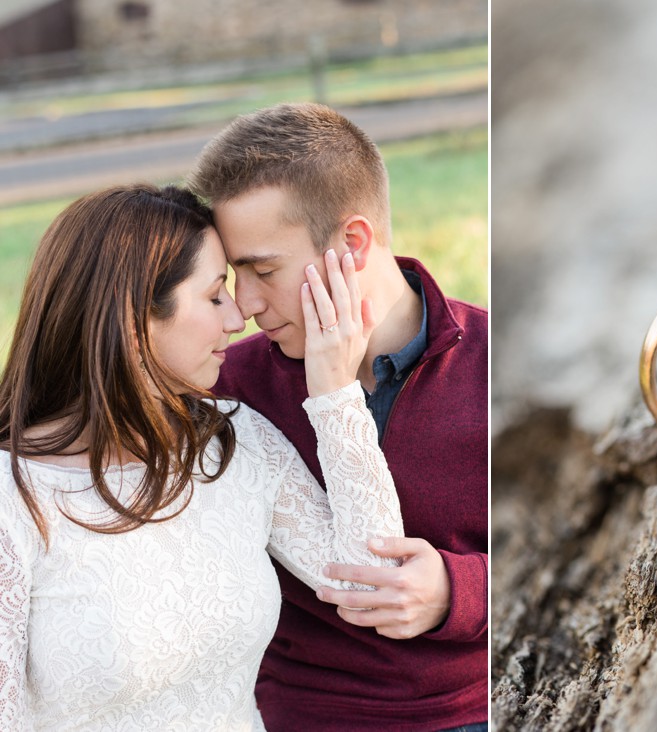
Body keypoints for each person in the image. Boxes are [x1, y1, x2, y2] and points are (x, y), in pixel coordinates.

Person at [0, 184, 405, 730]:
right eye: (215, 295)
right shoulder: (13, 498)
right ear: (135, 320)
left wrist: (335, 395)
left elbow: (372, 579)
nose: (238, 318)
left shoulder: (235, 442)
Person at [187, 102, 488, 730]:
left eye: (263, 270)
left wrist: (459, 592)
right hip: (301, 713)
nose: (243, 306)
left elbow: (587, 553)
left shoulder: (493, 364)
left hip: (469, 709)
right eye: (230, 276)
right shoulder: (228, 384)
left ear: (352, 244)